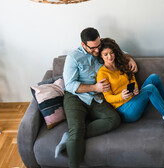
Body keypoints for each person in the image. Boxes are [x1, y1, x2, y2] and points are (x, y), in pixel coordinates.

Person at [59, 27, 138, 168]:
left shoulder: (102, 48)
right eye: (92, 48)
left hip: (96, 97)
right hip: (76, 97)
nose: (97, 51)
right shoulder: (73, 58)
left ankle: (72, 137)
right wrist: (95, 87)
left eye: (98, 46)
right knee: (76, 128)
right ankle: (74, 136)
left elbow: (120, 53)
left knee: (114, 119)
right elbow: (70, 85)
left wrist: (130, 59)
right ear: (84, 45)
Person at [96, 38, 164, 134]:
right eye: (106, 54)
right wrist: (121, 96)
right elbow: (108, 98)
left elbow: (132, 79)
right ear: (101, 56)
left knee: (154, 77)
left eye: (111, 53)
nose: (110, 57)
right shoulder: (102, 73)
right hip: (125, 111)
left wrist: (136, 89)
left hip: (135, 100)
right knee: (150, 89)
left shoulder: (121, 63)